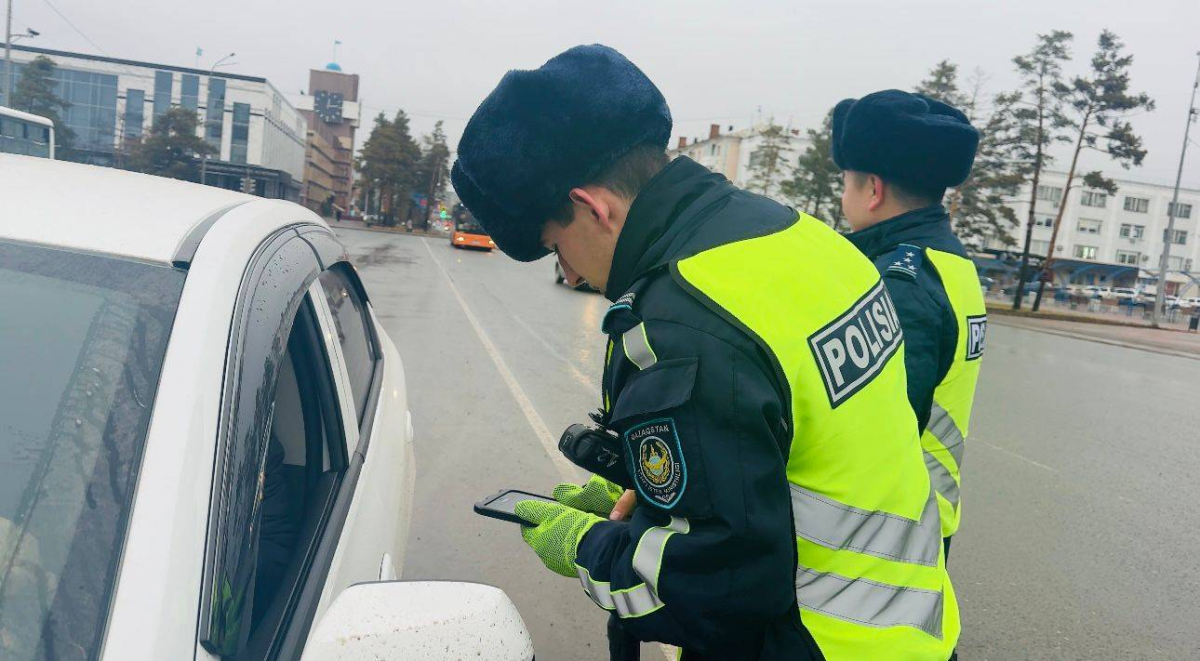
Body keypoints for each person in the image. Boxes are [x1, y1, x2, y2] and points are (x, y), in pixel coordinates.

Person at [452, 45, 958, 660]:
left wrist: (587, 546)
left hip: (806, 644)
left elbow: (708, 591)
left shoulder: (679, 323)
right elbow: (804, 448)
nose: (573, 274)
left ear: (591, 207)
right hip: (913, 630)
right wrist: (660, 493)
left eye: (556, 247)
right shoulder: (805, 239)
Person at [834, 90, 987, 558]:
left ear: (873, 190)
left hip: (885, 533)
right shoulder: (949, 263)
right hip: (921, 517)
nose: (843, 197)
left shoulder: (900, 284)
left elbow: (872, 430)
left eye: (847, 183)